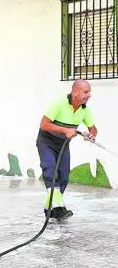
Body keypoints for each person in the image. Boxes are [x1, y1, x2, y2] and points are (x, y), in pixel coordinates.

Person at [36, 80, 98, 220]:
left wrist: (91, 134)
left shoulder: (85, 110)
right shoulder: (59, 103)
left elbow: (93, 128)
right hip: (46, 142)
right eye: (86, 92)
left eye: (89, 92)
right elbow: (44, 124)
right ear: (75, 92)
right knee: (50, 170)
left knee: (63, 177)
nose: (89, 95)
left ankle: (50, 209)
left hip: (63, 145)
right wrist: (65, 130)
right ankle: (58, 209)